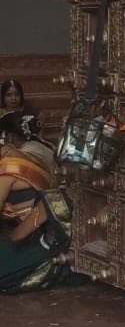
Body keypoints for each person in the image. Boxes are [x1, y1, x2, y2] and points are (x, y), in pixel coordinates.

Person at [0, 112, 84, 292]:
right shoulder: (29, 153)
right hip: (42, 228)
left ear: (8, 138)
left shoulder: (8, 167)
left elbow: (19, 233)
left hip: (43, 234)